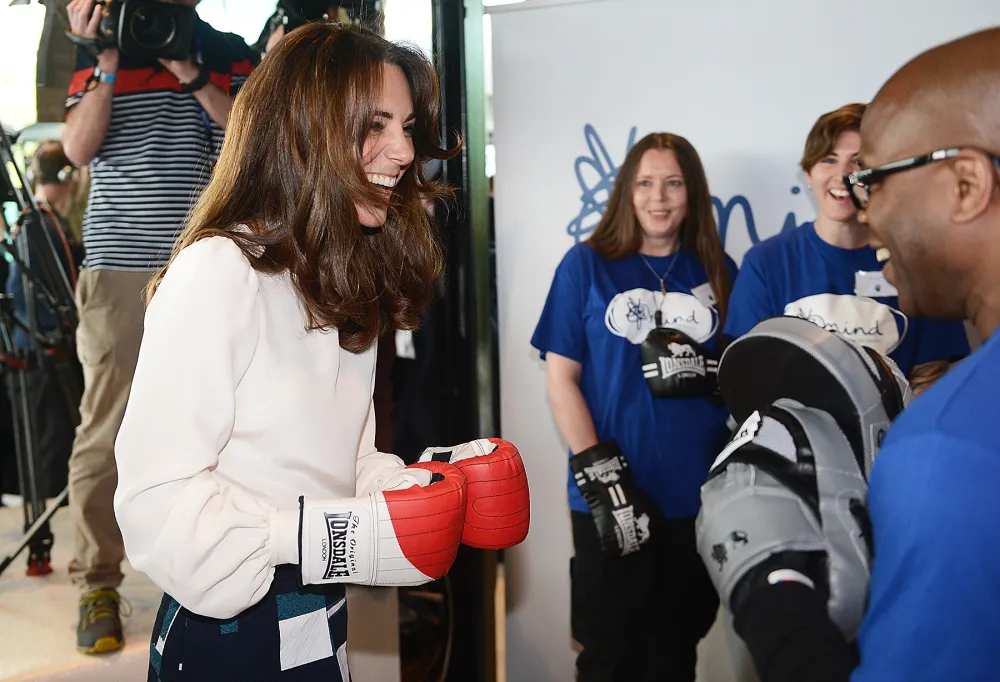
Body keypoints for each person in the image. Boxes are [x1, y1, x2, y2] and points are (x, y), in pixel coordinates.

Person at [112, 22, 528, 681]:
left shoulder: (338, 278)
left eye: (408, 126)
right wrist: (322, 537)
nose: (402, 151)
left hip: (319, 617)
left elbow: (343, 462)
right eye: (378, 125)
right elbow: (155, 504)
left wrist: (419, 490)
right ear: (306, 129)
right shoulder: (219, 271)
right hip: (229, 629)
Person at [703, 26, 1000, 682]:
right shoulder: (772, 261)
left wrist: (776, 604)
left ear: (967, 184)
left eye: (877, 177)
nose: (865, 203)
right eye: (845, 173)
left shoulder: (949, 451)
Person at [61, 0, 256, 654]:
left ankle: (208, 567)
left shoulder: (221, 48)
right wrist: (107, 64)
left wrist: (191, 70)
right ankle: (97, 582)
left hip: (201, 267)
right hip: (117, 268)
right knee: (106, 426)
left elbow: (252, 140)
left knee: (221, 426)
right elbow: (77, 147)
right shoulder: (100, 50)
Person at [532, 132, 738, 682]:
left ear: (692, 193)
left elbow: (744, 380)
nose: (659, 197)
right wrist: (604, 478)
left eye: (673, 183)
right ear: (627, 191)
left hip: (694, 501)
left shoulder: (719, 269)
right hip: (610, 501)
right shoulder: (585, 266)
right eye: (645, 183)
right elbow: (561, 379)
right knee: (607, 653)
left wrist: (711, 373)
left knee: (675, 654)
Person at [723, 103, 970, 392]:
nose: (843, 175)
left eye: (858, 161)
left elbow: (931, 378)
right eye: (829, 160)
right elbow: (748, 373)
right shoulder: (766, 263)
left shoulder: (915, 262)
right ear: (807, 173)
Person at [3, 141, 84, 573]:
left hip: (44, 343)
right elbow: (39, 288)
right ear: (66, 177)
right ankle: (44, 540)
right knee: (51, 440)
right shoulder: (37, 223)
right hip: (38, 347)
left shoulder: (44, 221)